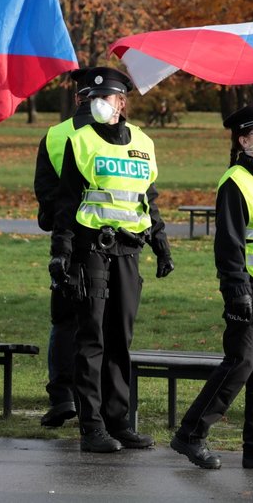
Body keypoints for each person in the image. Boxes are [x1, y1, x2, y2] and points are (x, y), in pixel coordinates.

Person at [170, 100, 253, 471]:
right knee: (240, 363)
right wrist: (235, 289)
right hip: (250, 287)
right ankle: (190, 434)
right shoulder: (236, 182)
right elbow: (229, 243)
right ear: (244, 140)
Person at [48, 67, 174, 453]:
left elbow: (146, 198)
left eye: (111, 98)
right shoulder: (80, 141)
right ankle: (93, 426)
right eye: (96, 99)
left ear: (123, 102)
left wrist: (161, 242)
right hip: (92, 249)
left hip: (129, 250)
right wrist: (61, 253)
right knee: (93, 339)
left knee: (121, 339)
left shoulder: (143, 141)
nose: (104, 104)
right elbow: (68, 201)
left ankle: (119, 421)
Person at [32, 69, 95, 428]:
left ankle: (62, 395)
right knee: (102, 325)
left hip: (67, 241)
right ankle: (93, 398)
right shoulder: (127, 136)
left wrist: (61, 224)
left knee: (65, 320)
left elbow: (44, 190)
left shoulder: (55, 134)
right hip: (113, 243)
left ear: (76, 99)